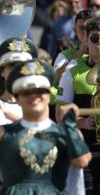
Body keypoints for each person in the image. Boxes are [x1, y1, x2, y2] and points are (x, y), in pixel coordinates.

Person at [0, 59, 92, 194]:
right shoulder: (2, 134)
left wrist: (70, 125)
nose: (34, 97)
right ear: (17, 98)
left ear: (49, 95)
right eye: (26, 92)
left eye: (40, 91)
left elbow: (82, 161)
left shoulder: (64, 133)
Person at [57, 16, 100, 194]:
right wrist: (82, 122)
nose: (99, 44)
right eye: (95, 38)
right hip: (84, 149)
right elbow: (60, 114)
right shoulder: (71, 72)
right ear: (86, 40)